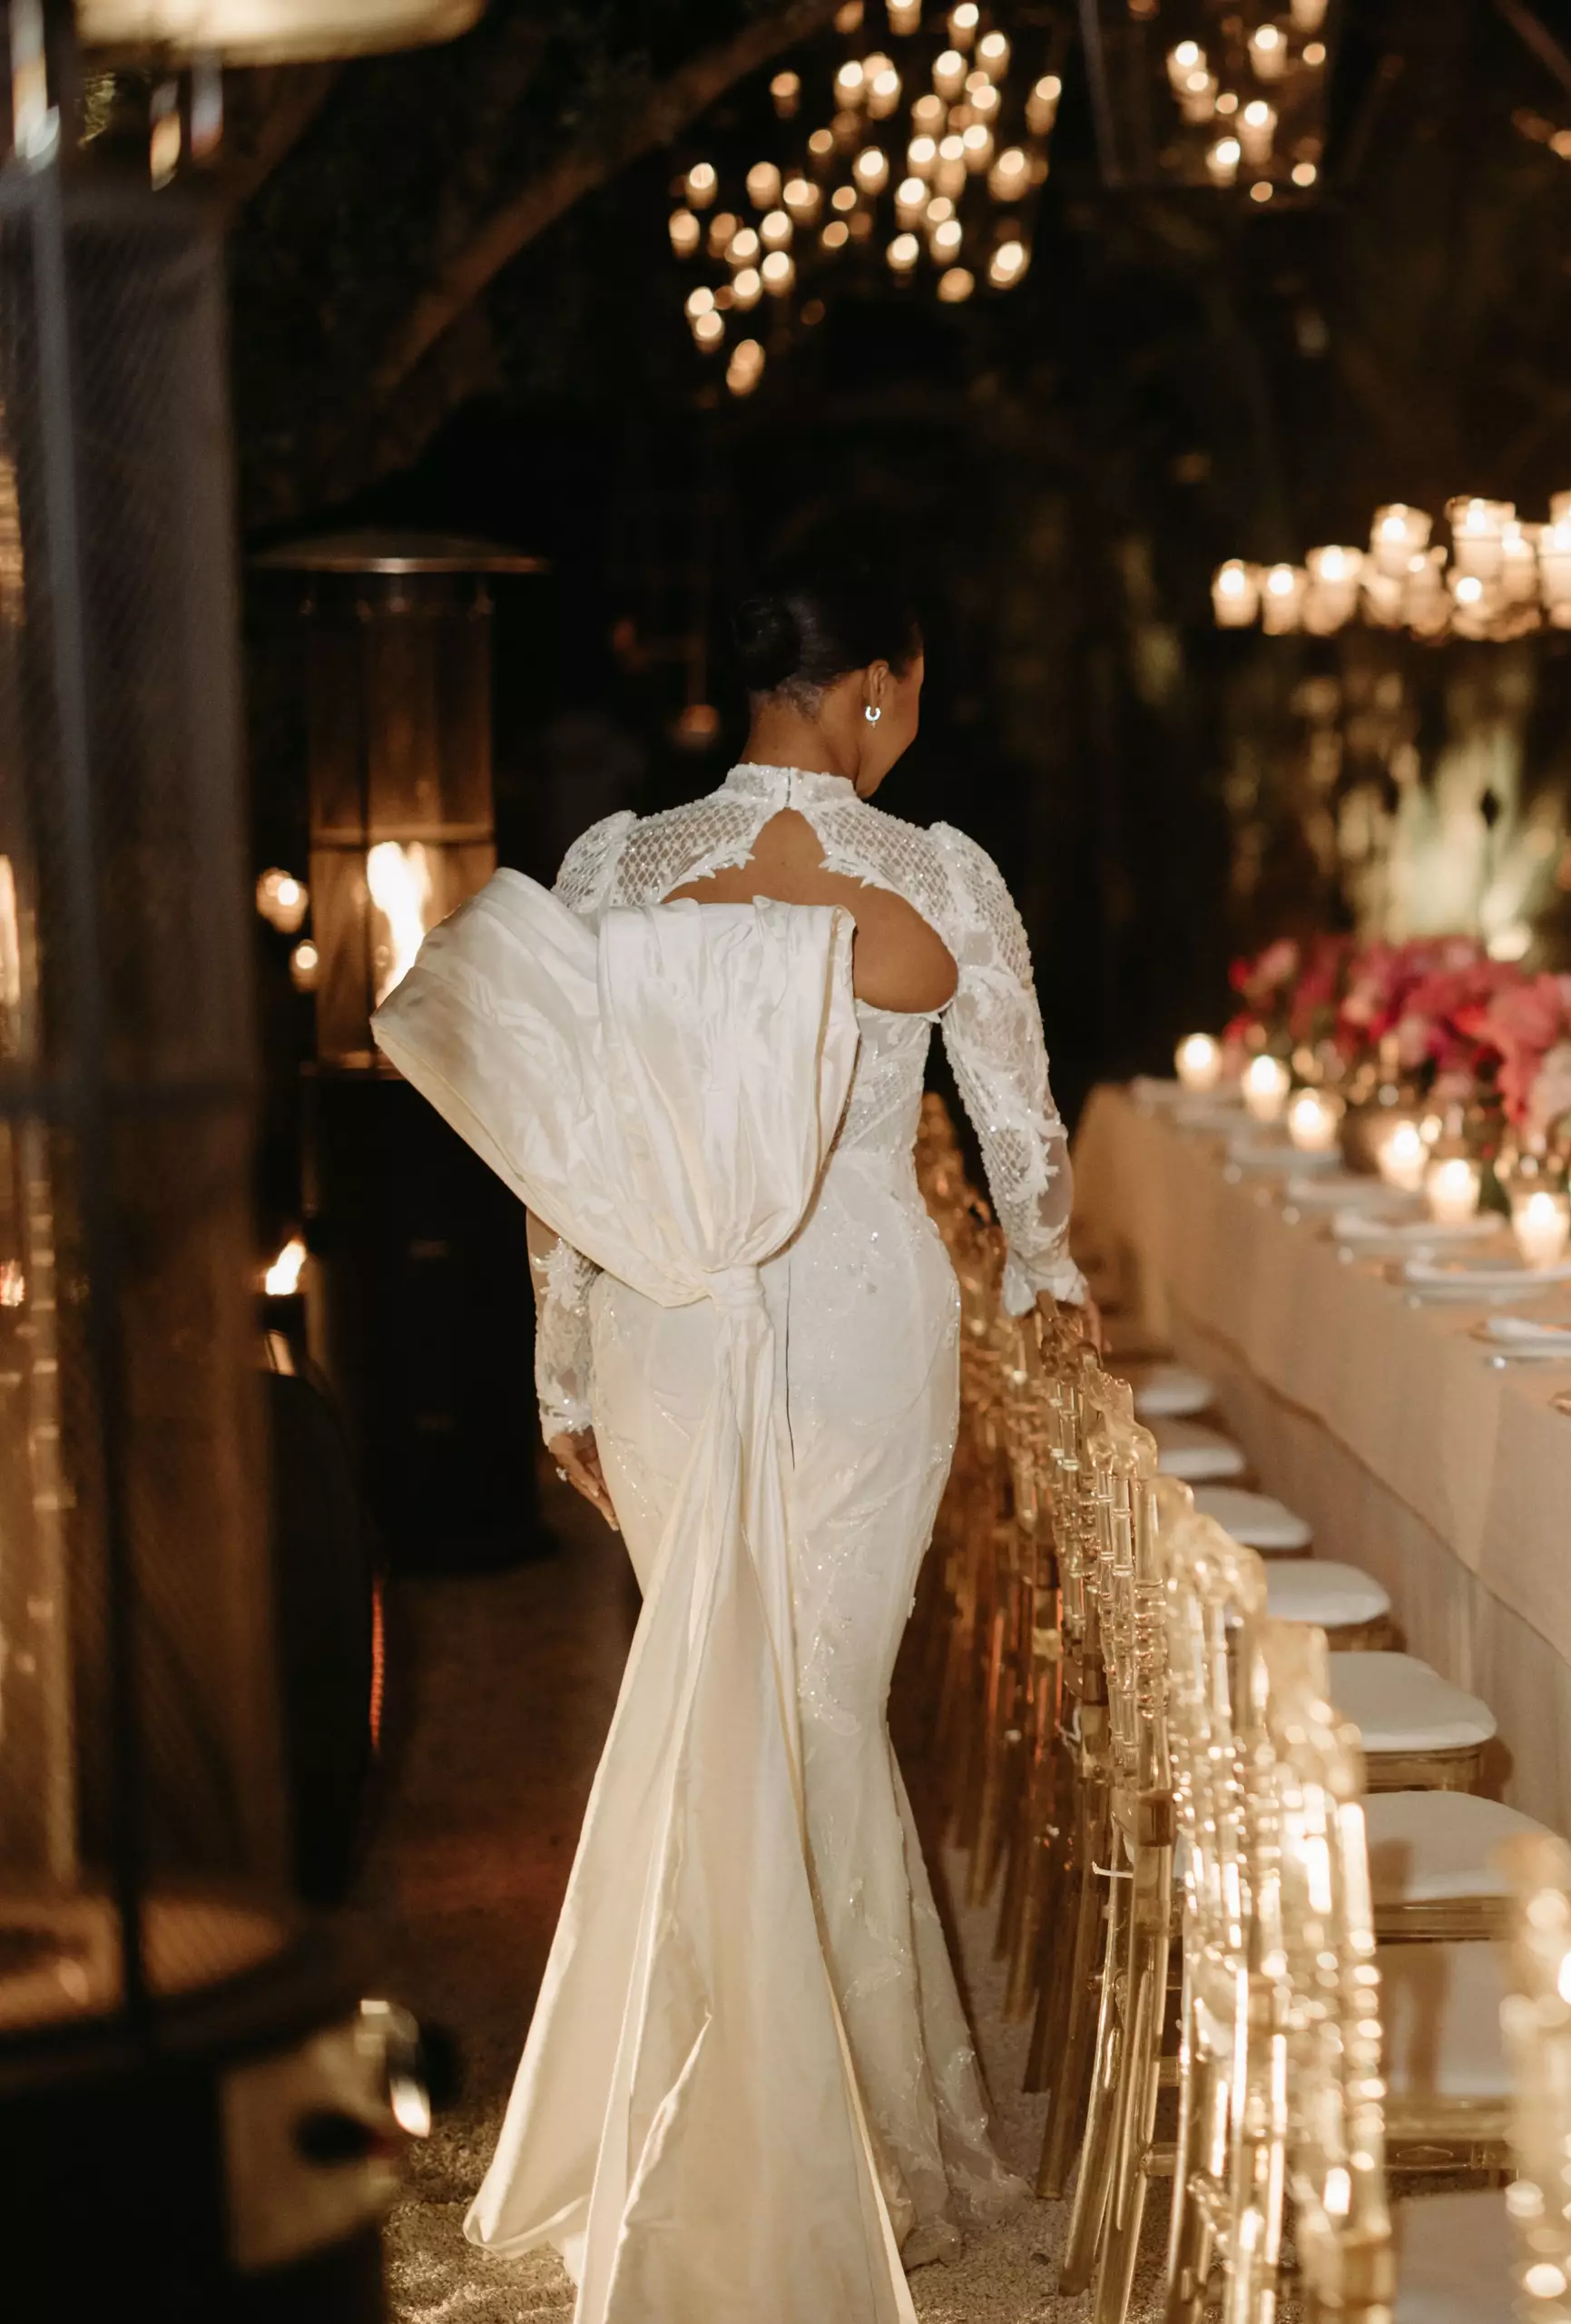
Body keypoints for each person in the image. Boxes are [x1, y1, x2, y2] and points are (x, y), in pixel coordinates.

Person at [436, 565, 1087, 2319]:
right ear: (873, 685)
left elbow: (565, 1160)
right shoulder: (937, 876)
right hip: (867, 1322)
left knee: (719, 1679)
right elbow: (1018, 1132)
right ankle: (844, 2137)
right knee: (815, 1701)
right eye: (913, 689)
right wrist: (1047, 1278)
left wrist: (564, 1371)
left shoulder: (615, 870)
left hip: (668, 1322)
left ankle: (700, 2104)